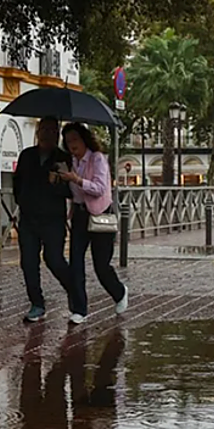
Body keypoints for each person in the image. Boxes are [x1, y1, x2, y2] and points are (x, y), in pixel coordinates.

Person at [59, 121, 128, 325]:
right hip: (80, 215)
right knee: (76, 263)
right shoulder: (71, 161)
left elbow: (99, 188)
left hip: (100, 215)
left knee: (101, 265)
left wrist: (77, 179)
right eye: (68, 141)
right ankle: (79, 309)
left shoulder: (97, 159)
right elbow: (73, 192)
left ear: (84, 139)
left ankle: (120, 292)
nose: (72, 144)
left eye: (75, 139)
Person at [13, 117, 74, 323]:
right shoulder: (27, 155)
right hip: (29, 219)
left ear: (58, 134)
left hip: (52, 219)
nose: (48, 133)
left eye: (53, 130)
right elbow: (17, 181)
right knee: (28, 262)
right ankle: (37, 304)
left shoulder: (63, 159)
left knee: (54, 259)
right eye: (45, 129)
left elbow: (70, 190)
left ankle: (74, 293)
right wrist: (22, 200)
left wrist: (57, 182)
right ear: (38, 131)